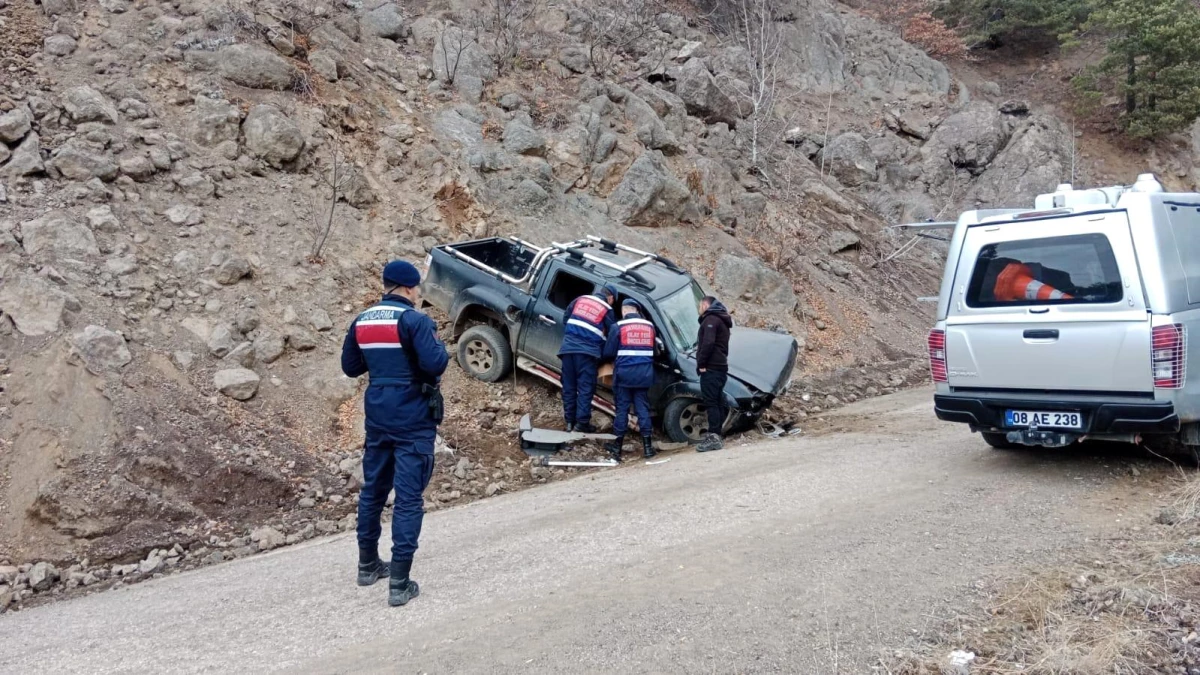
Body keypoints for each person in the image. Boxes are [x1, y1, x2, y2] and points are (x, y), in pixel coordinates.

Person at [341, 260, 449, 607]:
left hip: (378, 415)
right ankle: (400, 582)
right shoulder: (415, 321)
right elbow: (436, 364)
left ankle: (367, 565)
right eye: (417, 289)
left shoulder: (362, 321)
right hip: (412, 415)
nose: (419, 294)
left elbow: (351, 367)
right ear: (406, 288)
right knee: (408, 498)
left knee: (373, 490)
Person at [602, 299, 658, 462]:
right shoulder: (650, 327)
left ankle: (616, 448)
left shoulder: (618, 327)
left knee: (622, 410)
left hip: (624, 376)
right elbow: (654, 351)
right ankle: (648, 448)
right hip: (644, 375)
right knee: (643, 409)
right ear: (637, 310)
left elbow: (609, 352)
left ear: (624, 311)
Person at [559, 284, 618, 433]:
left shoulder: (580, 299)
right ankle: (582, 424)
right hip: (587, 353)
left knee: (569, 386)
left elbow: (566, 318)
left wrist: (575, 335)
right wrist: (605, 355)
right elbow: (613, 335)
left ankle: (569, 423)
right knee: (585, 388)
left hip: (567, 349)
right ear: (610, 297)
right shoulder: (607, 309)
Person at [696, 295, 732, 453]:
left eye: (699, 306)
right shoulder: (720, 319)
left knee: (711, 401)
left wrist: (701, 363)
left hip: (712, 366)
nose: (699, 309)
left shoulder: (711, 320)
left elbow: (708, 343)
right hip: (720, 366)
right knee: (716, 400)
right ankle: (716, 432)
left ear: (705, 305)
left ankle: (714, 436)